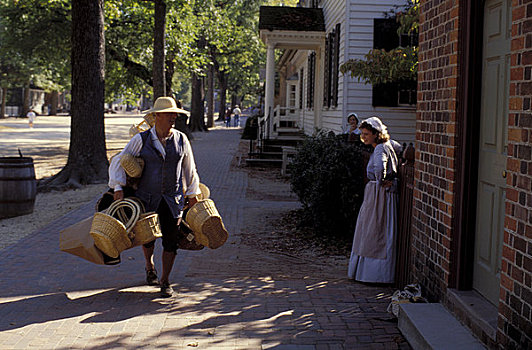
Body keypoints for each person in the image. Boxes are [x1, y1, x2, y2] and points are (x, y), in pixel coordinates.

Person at [109, 96, 201, 297]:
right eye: (169, 114)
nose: (173, 117)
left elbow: (189, 168)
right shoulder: (140, 140)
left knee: (171, 240)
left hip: (172, 198)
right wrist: (118, 187)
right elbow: (118, 161)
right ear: (157, 116)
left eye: (175, 114)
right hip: (146, 197)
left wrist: (193, 193)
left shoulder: (181, 139)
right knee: (148, 238)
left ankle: (165, 280)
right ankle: (149, 266)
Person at [348, 116, 399, 284]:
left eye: (367, 134)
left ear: (376, 134)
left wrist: (380, 180)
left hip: (379, 195)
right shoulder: (387, 145)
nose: (364, 137)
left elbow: (379, 167)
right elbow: (398, 149)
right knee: (377, 229)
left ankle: (373, 273)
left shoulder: (379, 149)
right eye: (362, 133)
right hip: (382, 194)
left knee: (374, 230)